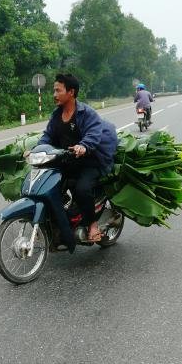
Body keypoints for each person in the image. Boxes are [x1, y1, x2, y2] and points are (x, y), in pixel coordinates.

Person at [37, 73, 118, 242]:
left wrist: (84, 146)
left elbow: (94, 134)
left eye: (58, 91)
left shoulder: (87, 113)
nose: (54, 95)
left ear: (71, 92)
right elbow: (48, 136)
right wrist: (35, 150)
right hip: (69, 160)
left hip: (91, 161)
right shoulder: (56, 115)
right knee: (49, 185)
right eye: (54, 90)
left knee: (81, 189)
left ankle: (93, 225)